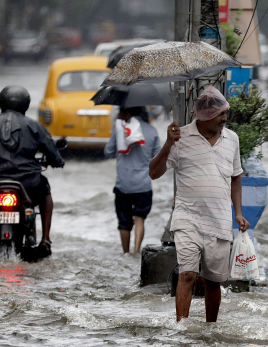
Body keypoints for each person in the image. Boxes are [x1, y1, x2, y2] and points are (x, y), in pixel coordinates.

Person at [149, 86, 250, 323]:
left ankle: (210, 329)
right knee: (187, 275)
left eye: (225, 113)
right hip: (187, 218)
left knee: (213, 282)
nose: (224, 118)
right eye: (219, 114)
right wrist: (167, 144)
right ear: (203, 116)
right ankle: (181, 328)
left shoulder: (231, 139)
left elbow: (236, 176)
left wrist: (239, 213)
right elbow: (154, 173)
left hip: (220, 219)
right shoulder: (179, 138)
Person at [0, 85, 64, 256]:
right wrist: (57, 161)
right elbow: (52, 151)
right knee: (46, 194)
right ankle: (45, 239)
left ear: (1, 102)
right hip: (29, 183)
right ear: (26, 104)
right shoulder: (34, 126)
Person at [104, 106, 161, 254]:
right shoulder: (152, 131)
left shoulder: (119, 129)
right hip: (143, 184)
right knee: (139, 218)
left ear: (128, 112)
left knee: (124, 223)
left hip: (123, 184)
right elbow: (158, 158)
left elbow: (108, 152)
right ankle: (136, 252)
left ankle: (126, 253)